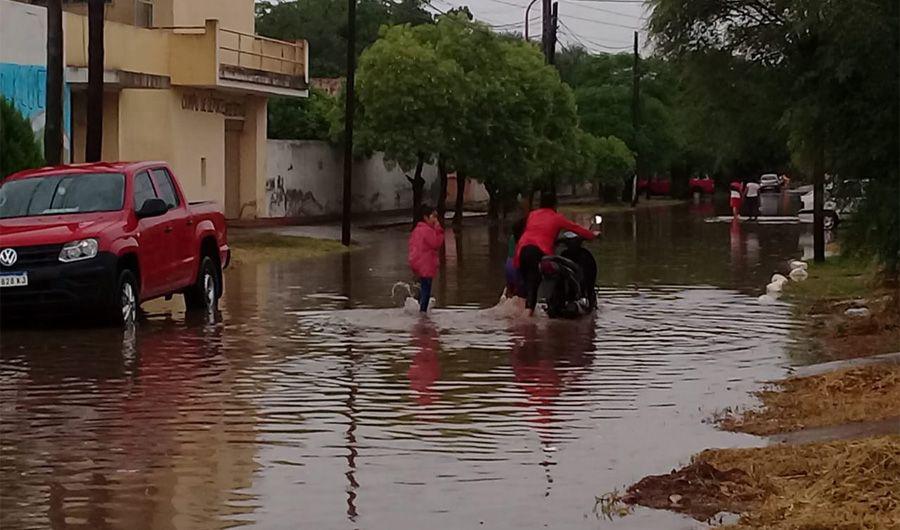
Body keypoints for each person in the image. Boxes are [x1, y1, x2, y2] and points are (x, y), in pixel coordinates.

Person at [514, 194, 595, 315]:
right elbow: (575, 228)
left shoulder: (532, 215)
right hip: (537, 253)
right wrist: (593, 235)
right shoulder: (556, 217)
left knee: (527, 289)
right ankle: (527, 323)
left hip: (521, 251)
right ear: (555, 205)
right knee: (533, 288)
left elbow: (520, 228)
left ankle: (525, 316)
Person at [408, 204, 445, 313]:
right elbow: (436, 243)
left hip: (417, 264)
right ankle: (423, 314)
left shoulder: (417, 230)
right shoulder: (427, 231)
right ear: (426, 217)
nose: (435, 219)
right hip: (426, 265)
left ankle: (420, 310)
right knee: (426, 291)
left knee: (421, 289)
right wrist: (439, 229)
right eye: (433, 217)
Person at [559, 232, 598, 310]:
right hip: (568, 287)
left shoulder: (585, 255)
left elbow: (591, 274)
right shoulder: (564, 254)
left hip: (583, 286)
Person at [504, 218, 526, 298]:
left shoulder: (512, 238)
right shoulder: (525, 240)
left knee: (510, 293)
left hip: (508, 265)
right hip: (517, 267)